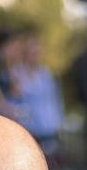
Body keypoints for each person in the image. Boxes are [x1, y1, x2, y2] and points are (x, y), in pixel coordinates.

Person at [10, 33, 64, 161]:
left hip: (49, 130)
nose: (35, 56)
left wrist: (59, 123)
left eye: (38, 52)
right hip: (29, 130)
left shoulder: (46, 74)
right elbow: (13, 100)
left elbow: (55, 100)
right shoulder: (16, 73)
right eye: (31, 52)